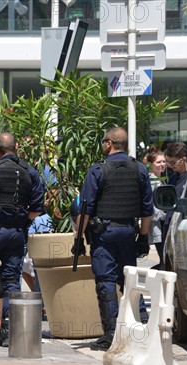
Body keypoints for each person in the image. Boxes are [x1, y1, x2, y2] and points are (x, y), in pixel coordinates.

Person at [73, 127, 153, 351]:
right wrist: (144, 237)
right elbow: (148, 210)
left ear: (109, 143)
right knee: (130, 280)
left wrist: (78, 238)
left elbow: (85, 209)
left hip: (104, 234)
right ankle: (141, 327)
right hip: (129, 231)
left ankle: (111, 334)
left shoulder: (98, 170)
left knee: (105, 281)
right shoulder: (139, 169)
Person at [0, 132, 45, 347]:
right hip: (16, 232)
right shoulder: (29, 171)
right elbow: (37, 208)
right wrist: (22, 220)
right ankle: (8, 332)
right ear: (16, 148)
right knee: (11, 281)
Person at [147, 151, 167, 270]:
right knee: (163, 259)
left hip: (162, 223)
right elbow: (150, 206)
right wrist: (164, 215)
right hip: (158, 224)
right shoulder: (151, 181)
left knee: (163, 259)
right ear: (151, 164)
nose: (162, 164)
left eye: (164, 161)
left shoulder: (162, 179)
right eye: (158, 162)